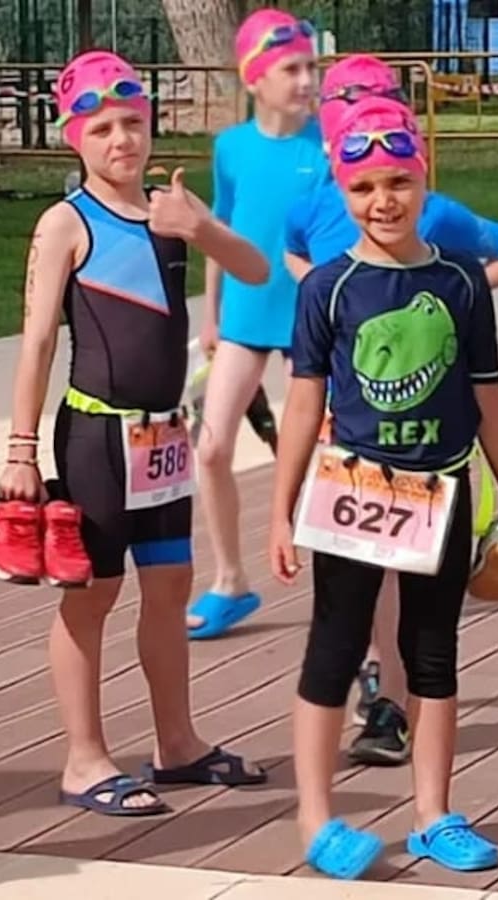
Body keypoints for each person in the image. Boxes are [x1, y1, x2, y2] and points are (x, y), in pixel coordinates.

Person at [268, 96, 498, 878]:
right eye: (363, 188)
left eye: (398, 182)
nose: (383, 201)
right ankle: (316, 818)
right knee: (334, 647)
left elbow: (488, 394)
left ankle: (432, 813)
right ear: (342, 191)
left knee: (433, 652)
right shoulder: (328, 287)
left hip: (441, 488)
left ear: (424, 180)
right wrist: (280, 511)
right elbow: (303, 404)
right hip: (354, 489)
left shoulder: (462, 282)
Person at [0, 48, 271, 816]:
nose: (122, 140)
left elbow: (255, 271)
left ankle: (176, 743)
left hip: (162, 438)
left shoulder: (170, 210)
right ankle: (83, 759)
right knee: (93, 593)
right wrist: (20, 450)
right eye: (102, 128)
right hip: (97, 438)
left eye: (132, 123)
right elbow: (37, 343)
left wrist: (201, 227)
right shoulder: (66, 223)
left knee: (171, 585)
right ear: (74, 139)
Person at [188, 8, 330, 641]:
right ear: (254, 79)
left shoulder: (326, 146)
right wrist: (211, 315)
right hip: (245, 317)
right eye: (291, 69)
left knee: (318, 458)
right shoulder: (232, 148)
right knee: (211, 447)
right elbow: (220, 230)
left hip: (310, 321)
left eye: (310, 67)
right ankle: (230, 579)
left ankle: (344, 587)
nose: (305, 81)